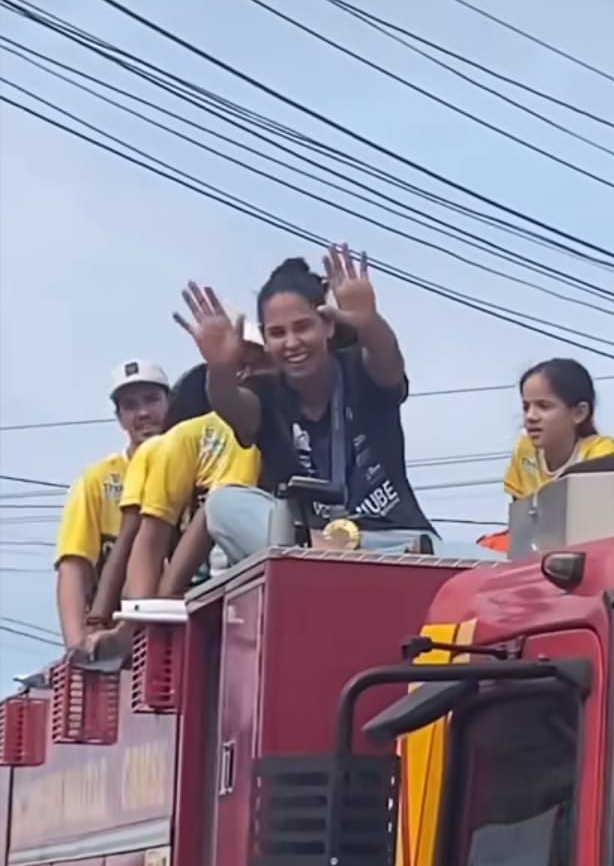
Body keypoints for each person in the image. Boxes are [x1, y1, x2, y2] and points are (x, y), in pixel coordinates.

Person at [174, 244, 437, 562]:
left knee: (489, 567)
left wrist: (368, 323)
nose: (292, 343)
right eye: (277, 333)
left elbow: (388, 362)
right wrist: (220, 368)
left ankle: (344, 563)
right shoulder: (266, 394)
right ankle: (330, 560)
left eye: (302, 327)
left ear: (327, 325)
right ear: (266, 341)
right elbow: (230, 405)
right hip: (311, 546)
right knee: (223, 504)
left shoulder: (358, 367)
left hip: (400, 545)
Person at [83, 321, 266, 655]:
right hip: (225, 591)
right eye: (242, 365)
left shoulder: (278, 422)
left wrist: (131, 618)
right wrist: (143, 613)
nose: (249, 374)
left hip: (222, 591)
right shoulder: (203, 436)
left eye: (151, 399)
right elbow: (150, 537)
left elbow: (142, 539)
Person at [55, 360, 170, 649]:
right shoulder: (97, 480)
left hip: (179, 622)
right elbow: (74, 565)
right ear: (119, 418)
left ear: (171, 403)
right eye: (130, 405)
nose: (143, 413)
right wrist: (77, 646)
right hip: (114, 638)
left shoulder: (194, 466)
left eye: (152, 400)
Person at [478, 359, 614, 555]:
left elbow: (595, 527)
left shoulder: (598, 452)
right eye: (526, 407)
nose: (531, 416)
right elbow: (521, 522)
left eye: (544, 406)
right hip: (534, 555)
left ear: (579, 413)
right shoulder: (525, 449)